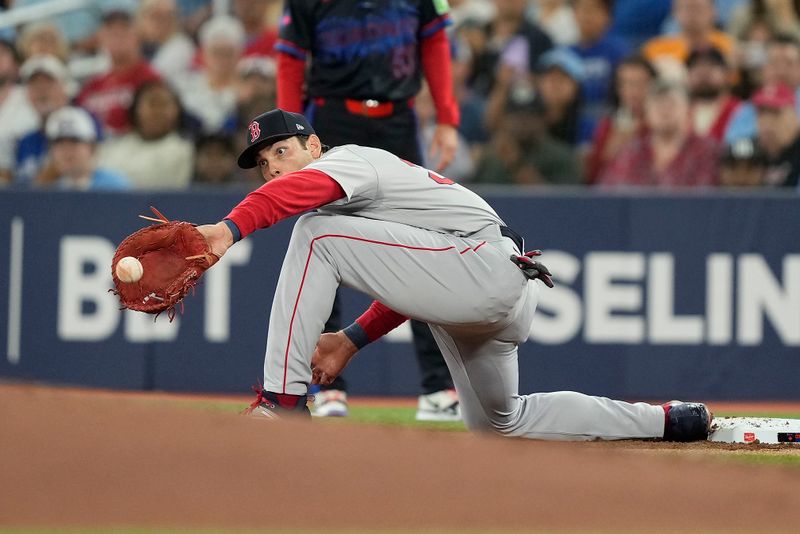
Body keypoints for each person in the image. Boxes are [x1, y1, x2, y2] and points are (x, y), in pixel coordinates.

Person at [195, 107, 712, 443]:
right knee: (500, 423)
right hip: (486, 283)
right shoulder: (362, 203)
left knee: (313, 233)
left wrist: (227, 230)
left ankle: (281, 401)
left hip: (482, 265)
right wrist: (352, 339)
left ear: (314, 145)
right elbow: (419, 283)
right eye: (263, 164)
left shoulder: (352, 161)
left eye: (281, 152)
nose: (274, 169)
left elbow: (292, 199)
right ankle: (666, 420)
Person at [275, 0, 463, 419]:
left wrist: (447, 118)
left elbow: (434, 43)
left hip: (398, 121)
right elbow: (290, 59)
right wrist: (288, 135)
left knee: (423, 248)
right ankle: (327, 388)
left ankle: (437, 387)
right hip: (330, 120)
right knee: (324, 244)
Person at [598, 79, 721, 187]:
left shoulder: (709, 151)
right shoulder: (630, 153)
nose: (664, 110)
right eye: (657, 103)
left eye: (671, 103)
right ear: (646, 112)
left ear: (689, 110)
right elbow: (608, 195)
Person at [75, 2, 161, 137]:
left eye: (123, 30)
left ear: (136, 35)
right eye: (111, 32)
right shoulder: (93, 85)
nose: (117, 36)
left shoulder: (151, 79)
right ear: (101, 38)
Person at [97, 79, 194, 190]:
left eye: (165, 104)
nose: (158, 111)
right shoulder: (113, 148)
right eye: (152, 103)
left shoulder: (186, 150)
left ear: (178, 110)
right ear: (136, 108)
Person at [585, 55, 657, 183]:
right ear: (618, 89)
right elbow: (592, 177)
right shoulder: (607, 126)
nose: (633, 91)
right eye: (626, 84)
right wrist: (610, 151)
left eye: (640, 84)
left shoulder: (662, 125)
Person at [35, 106, 129, 191]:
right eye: (59, 143)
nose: (66, 151)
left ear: (92, 148)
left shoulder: (114, 186)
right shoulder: (48, 187)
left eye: (74, 141)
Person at [685, 47, 741, 141]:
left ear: (726, 74)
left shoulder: (740, 110)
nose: (703, 72)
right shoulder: (680, 111)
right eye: (696, 66)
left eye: (712, 65)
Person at [752, 83, 800, 187]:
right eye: (761, 113)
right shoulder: (750, 154)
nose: (767, 122)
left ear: (794, 117)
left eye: (775, 113)